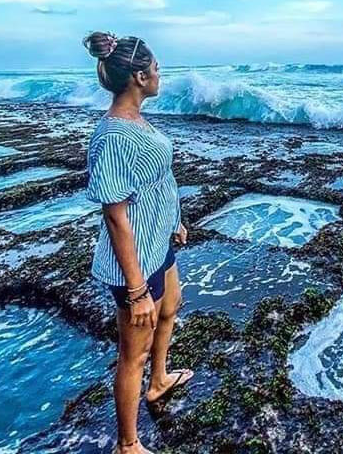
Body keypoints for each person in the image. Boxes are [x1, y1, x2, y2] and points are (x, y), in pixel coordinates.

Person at [83, 31, 193, 454]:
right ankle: (127, 444)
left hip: (157, 241)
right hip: (135, 263)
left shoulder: (135, 120)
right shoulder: (114, 136)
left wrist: (175, 221)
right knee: (133, 354)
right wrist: (136, 289)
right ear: (140, 77)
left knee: (171, 308)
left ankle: (160, 381)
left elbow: (158, 181)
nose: (161, 74)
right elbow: (114, 213)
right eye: (157, 68)